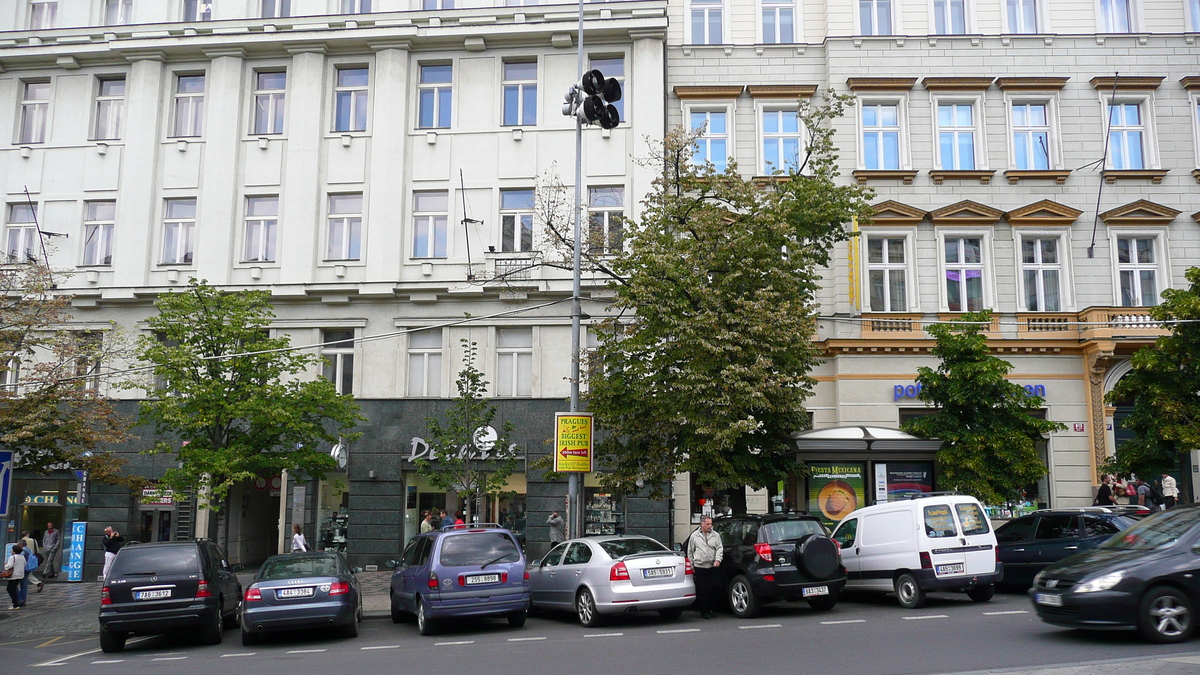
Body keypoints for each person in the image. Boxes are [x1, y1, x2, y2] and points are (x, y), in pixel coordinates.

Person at [686, 515, 723, 619]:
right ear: (702, 524)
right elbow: (690, 551)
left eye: (711, 524)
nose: (710, 526)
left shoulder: (715, 535)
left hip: (712, 565)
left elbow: (719, 548)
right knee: (702, 590)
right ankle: (704, 611)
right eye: (707, 524)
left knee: (712, 588)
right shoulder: (695, 536)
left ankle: (711, 609)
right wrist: (692, 565)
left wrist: (718, 559)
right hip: (700, 566)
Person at [4, 543, 26, 610]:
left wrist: (6, 565)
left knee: (10, 589)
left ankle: (15, 603)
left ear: (13, 551)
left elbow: (9, 566)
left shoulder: (12, 557)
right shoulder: (22, 557)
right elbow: (25, 564)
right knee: (13, 588)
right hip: (20, 575)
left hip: (13, 575)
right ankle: (16, 602)